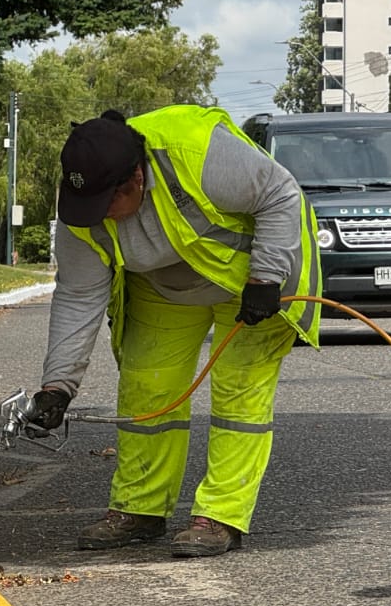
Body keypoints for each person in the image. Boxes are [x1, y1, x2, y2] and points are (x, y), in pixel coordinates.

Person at [30, 106, 321, 557]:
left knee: (239, 393)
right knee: (147, 386)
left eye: (108, 203)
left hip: (248, 281)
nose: (97, 216)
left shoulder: (197, 154)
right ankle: (140, 509)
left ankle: (220, 516)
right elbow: (78, 296)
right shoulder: (82, 207)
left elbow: (281, 193)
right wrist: (57, 386)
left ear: (137, 180)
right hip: (162, 286)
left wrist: (266, 278)